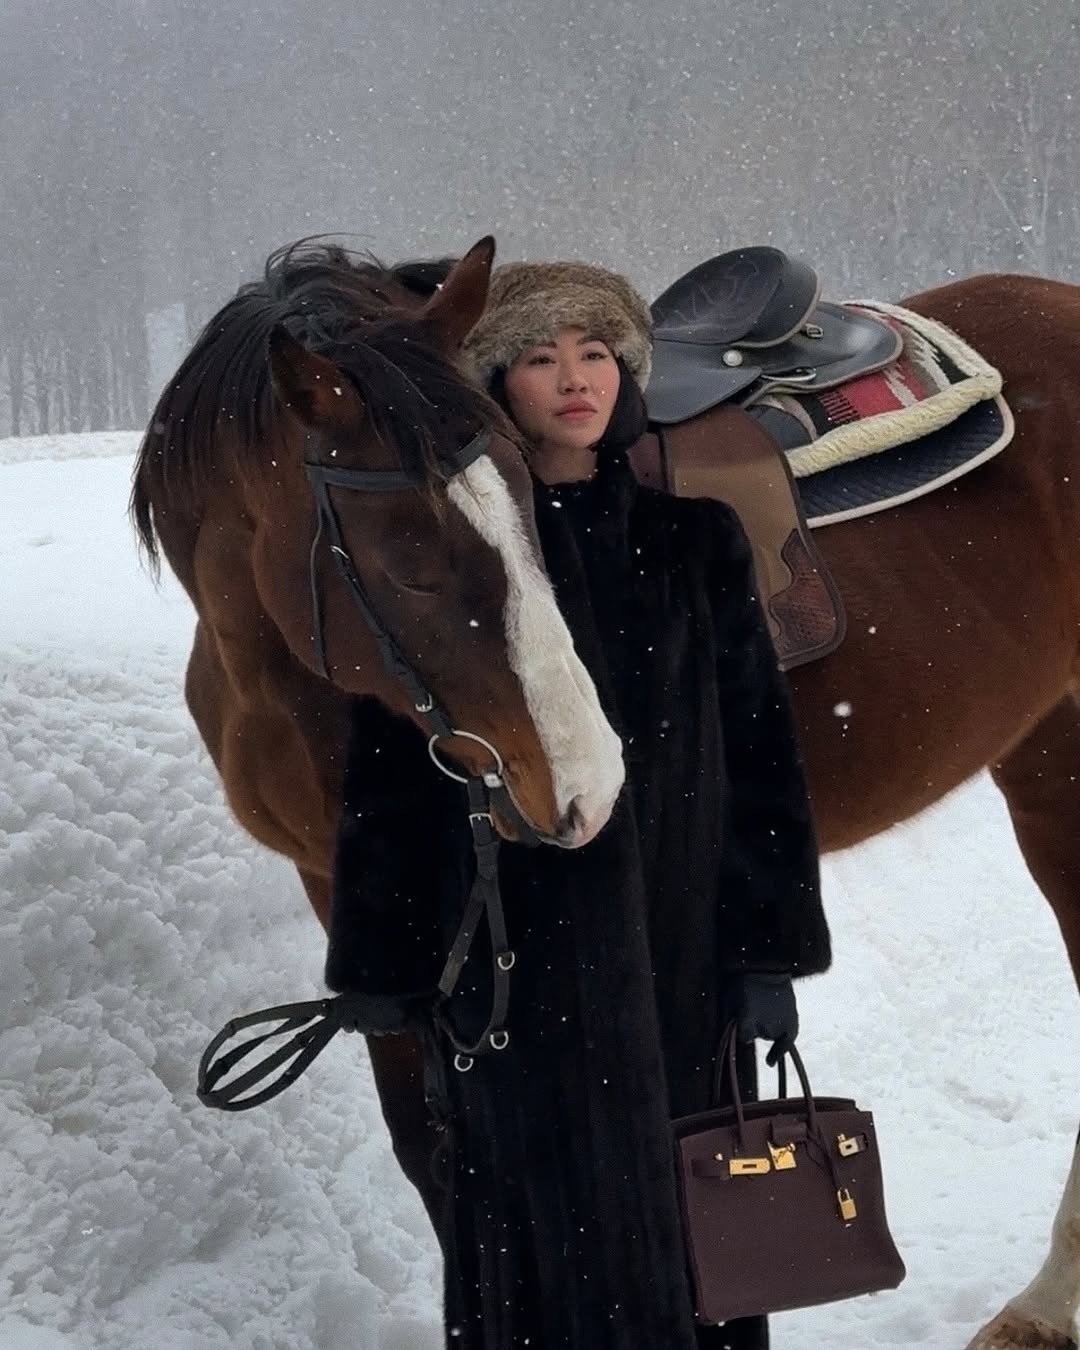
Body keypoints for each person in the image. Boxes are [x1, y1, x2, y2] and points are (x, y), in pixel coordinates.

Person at [327, 258, 832, 1350]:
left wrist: (768, 956)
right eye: (541, 357)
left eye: (596, 353)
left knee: (693, 1237)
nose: (575, 380)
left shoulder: (695, 544)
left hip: (680, 962)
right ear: (495, 385)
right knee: (535, 1246)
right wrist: (382, 960)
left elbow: (762, 763)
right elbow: (390, 772)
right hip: (515, 976)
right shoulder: (456, 557)